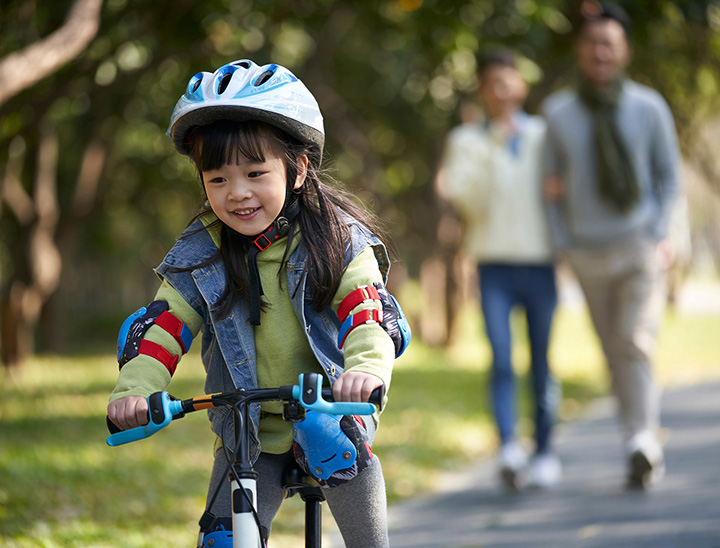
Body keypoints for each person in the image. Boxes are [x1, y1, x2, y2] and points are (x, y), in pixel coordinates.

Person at [107, 59, 410, 547]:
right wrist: (134, 392)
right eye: (219, 179)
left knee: (327, 436)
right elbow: (164, 326)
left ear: (298, 169)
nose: (238, 194)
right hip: (248, 428)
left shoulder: (335, 238)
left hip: (330, 408)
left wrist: (366, 370)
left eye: (254, 172)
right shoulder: (202, 249)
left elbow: (366, 313)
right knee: (223, 539)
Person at [541, 2, 679, 489]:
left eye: (610, 44)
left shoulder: (649, 107)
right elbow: (549, 186)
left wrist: (661, 233)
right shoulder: (557, 113)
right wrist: (562, 246)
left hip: (639, 245)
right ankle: (637, 437)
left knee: (635, 341)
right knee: (612, 350)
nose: (601, 52)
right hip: (587, 252)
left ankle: (642, 437)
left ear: (624, 52)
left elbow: (669, 178)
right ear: (581, 50)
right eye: (593, 43)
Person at [440, 49, 561, 491]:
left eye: (509, 79)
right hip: (492, 266)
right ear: (483, 91)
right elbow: (469, 202)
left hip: (542, 264)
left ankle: (545, 451)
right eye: (493, 82)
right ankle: (509, 446)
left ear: (521, 85)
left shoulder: (547, 136)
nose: (502, 88)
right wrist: (494, 147)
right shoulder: (466, 142)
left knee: (543, 362)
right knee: (503, 359)